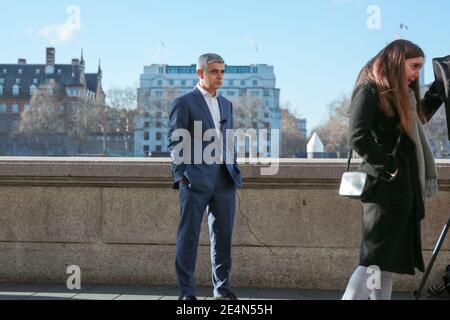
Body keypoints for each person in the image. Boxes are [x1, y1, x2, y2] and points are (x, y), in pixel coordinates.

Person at [342, 39, 446, 300]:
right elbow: (357, 136)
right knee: (372, 262)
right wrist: (389, 167)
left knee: (385, 264)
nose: (416, 73)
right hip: (383, 188)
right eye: (414, 66)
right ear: (397, 62)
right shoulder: (369, 89)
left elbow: (420, 115)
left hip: (401, 189)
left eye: (421, 68)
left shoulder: (401, 93)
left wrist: (440, 86)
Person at [168, 53, 243, 300]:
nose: (220, 76)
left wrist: (234, 166)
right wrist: (181, 177)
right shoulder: (184, 103)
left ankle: (221, 290)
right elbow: (176, 142)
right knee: (188, 238)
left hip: (224, 180)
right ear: (200, 73)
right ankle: (187, 293)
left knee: (223, 238)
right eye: (214, 71)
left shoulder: (226, 105)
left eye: (222, 71)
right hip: (194, 180)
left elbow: (228, 139)